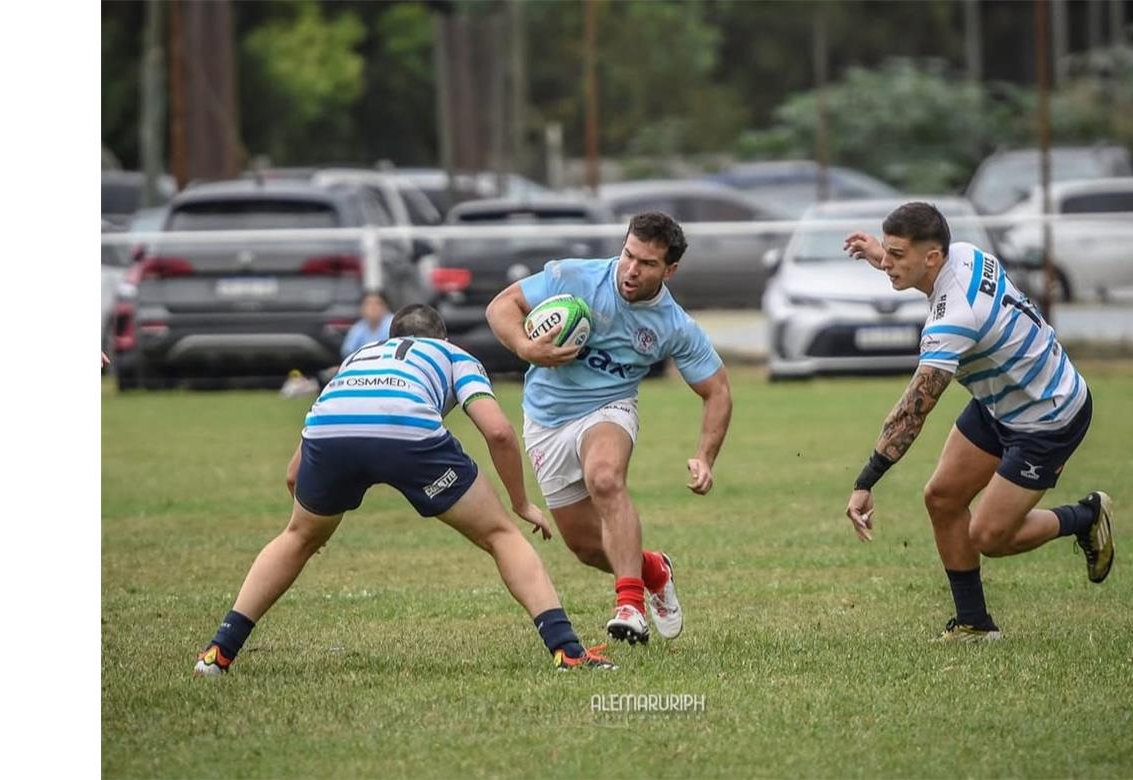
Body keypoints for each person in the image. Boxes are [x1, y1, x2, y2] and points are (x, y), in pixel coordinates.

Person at [194, 303, 615, 674]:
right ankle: (567, 651)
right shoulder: (453, 354)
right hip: (409, 431)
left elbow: (294, 473)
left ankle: (218, 652)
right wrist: (520, 503)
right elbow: (499, 432)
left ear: (390, 336)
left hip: (329, 434)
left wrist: (311, 528)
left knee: (294, 537)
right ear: (442, 338)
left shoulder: (359, 357)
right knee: (501, 535)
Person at [840, 202, 1114, 642]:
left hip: (1048, 415)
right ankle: (974, 624)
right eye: (887, 252)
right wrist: (882, 256)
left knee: (990, 536)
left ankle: (1085, 516)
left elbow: (912, 413)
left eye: (896, 254)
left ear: (932, 256)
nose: (887, 262)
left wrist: (866, 480)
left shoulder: (955, 320)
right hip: (1001, 400)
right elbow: (934, 282)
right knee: (942, 498)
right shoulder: (965, 253)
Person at [485, 212, 733, 646]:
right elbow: (501, 306)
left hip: (609, 408)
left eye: (647, 263)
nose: (631, 270)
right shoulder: (574, 277)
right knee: (585, 547)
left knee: (604, 477)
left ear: (670, 270)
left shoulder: (673, 325)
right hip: (545, 419)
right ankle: (653, 570)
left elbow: (718, 391)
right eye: (628, 255)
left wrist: (705, 457)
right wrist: (527, 348)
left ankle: (630, 607)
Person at [340, 292, 393, 358]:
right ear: (361, 309)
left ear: (386, 307)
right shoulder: (359, 327)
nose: (373, 308)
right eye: (368, 304)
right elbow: (347, 352)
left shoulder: (393, 324)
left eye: (378, 303)